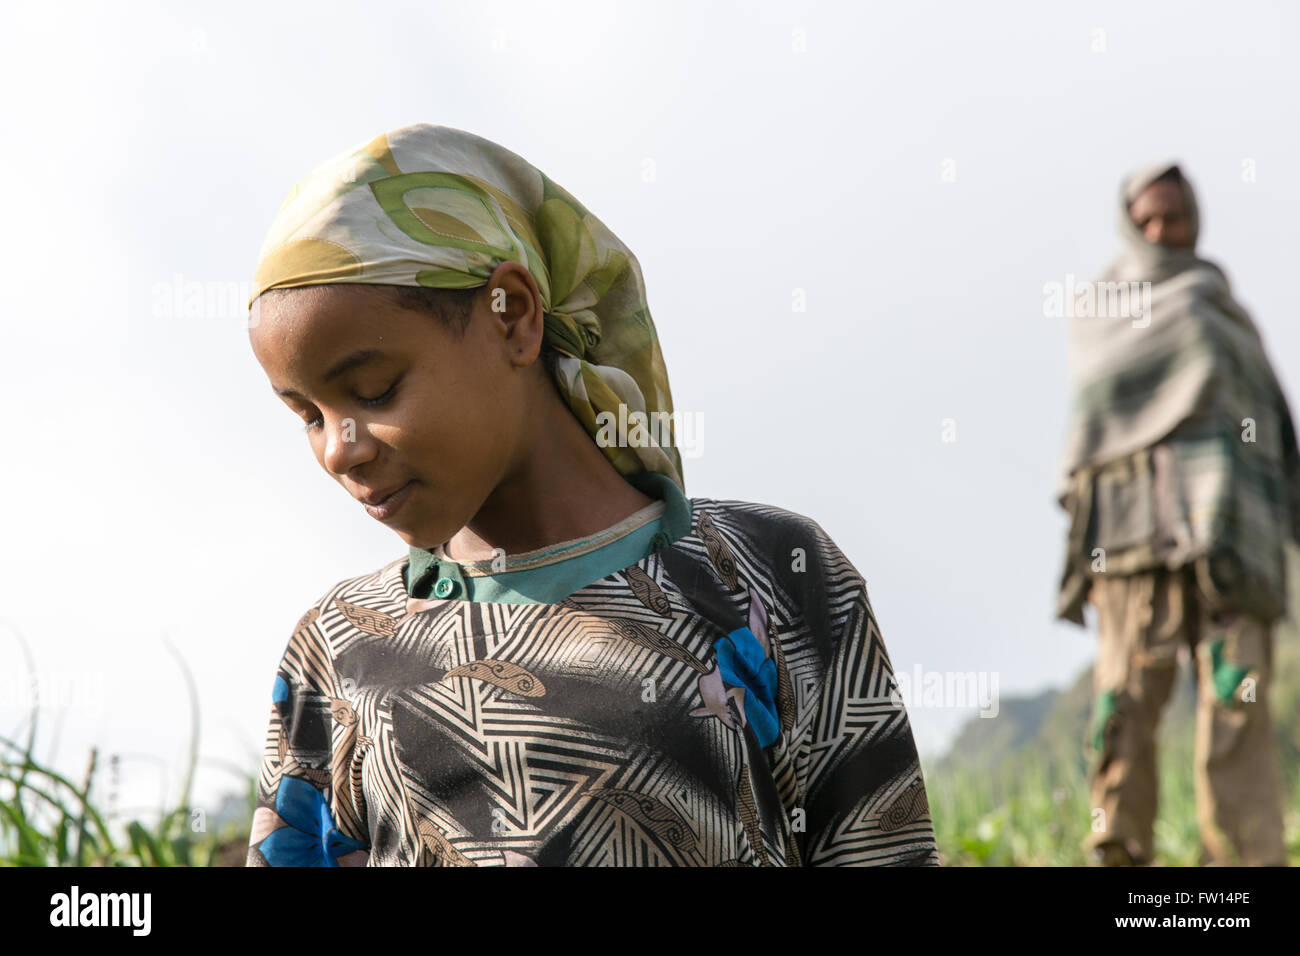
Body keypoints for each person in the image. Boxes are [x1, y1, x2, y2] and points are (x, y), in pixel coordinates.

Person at [242, 123, 939, 866]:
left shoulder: (771, 575)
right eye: (307, 415)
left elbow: (880, 845)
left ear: (513, 315)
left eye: (373, 389)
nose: (338, 448)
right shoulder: (341, 645)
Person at [1056, 160, 1299, 866]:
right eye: (1150, 218)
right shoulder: (1097, 310)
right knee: (1124, 709)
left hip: (1230, 543)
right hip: (1130, 540)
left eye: (1177, 215)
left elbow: (1272, 427)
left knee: (1237, 707)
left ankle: (1244, 868)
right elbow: (1093, 423)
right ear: (1129, 222)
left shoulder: (1224, 309)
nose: (1165, 229)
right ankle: (1120, 859)